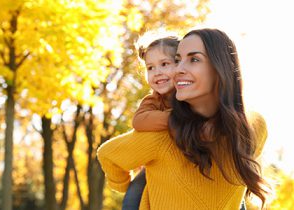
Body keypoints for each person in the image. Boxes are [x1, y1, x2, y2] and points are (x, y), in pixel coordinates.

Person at [97, 28, 269, 210]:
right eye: (178, 60)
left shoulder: (253, 127)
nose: (178, 69)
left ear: (220, 68)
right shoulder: (160, 134)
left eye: (193, 59)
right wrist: (132, 186)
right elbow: (110, 153)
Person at [122, 30, 179, 210]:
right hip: (159, 163)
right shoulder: (154, 100)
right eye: (150, 67)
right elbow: (139, 121)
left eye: (164, 64)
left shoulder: (192, 92)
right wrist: (178, 119)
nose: (157, 72)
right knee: (134, 195)